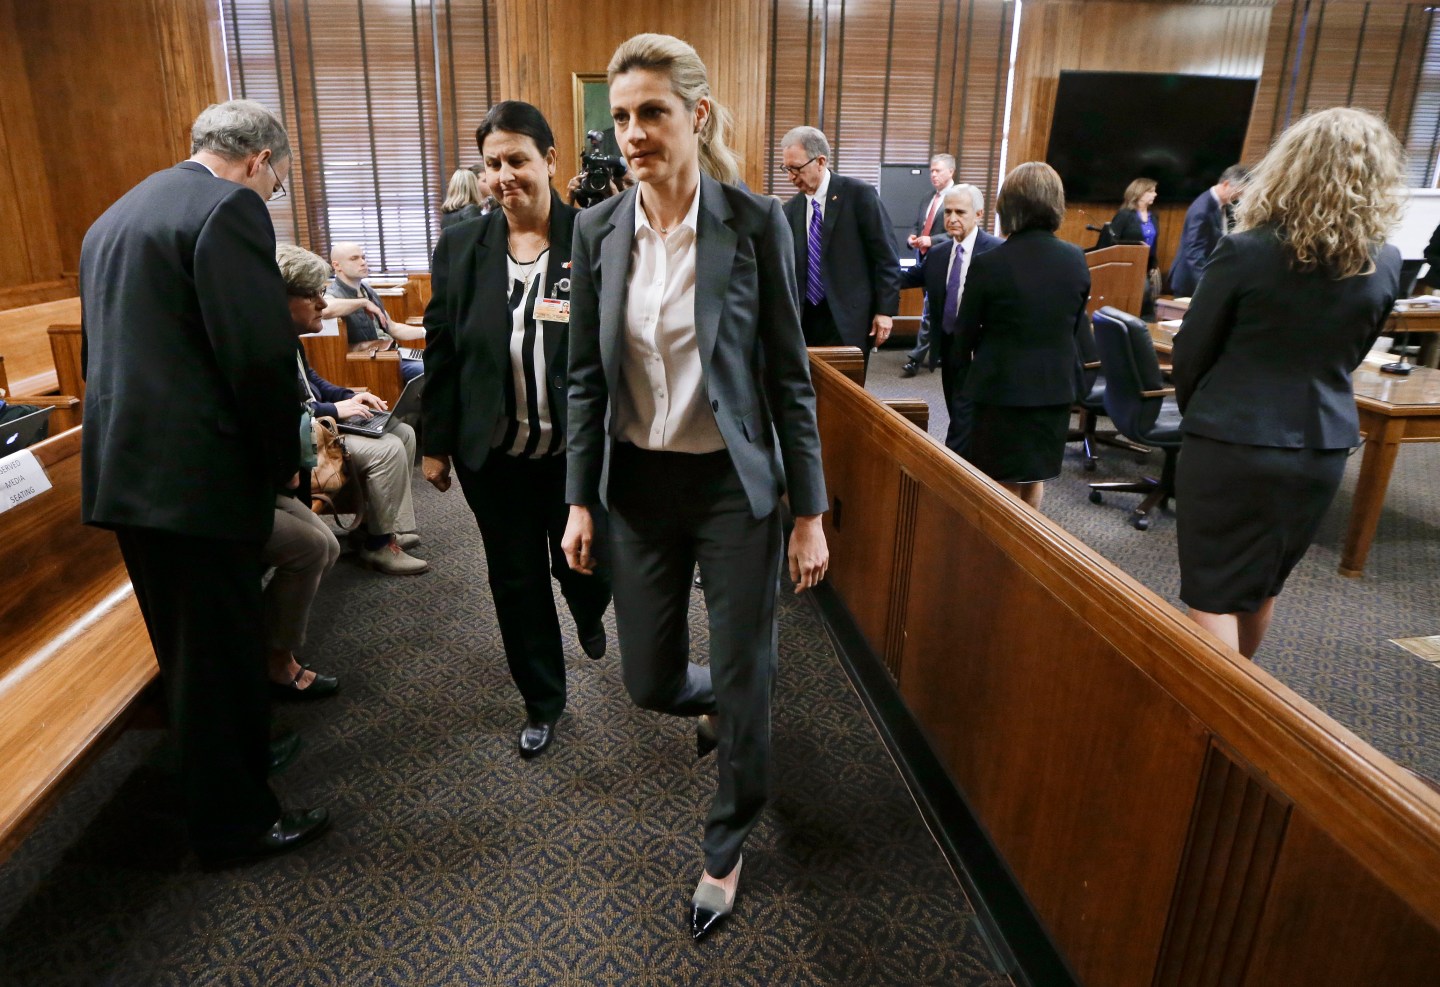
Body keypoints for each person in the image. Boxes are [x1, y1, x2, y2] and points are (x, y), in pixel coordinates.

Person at [561, 33, 829, 941]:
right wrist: (579, 498)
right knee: (648, 679)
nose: (633, 132)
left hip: (731, 487)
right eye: (621, 116)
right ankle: (724, 700)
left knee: (749, 670)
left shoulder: (753, 223)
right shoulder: (597, 230)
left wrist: (810, 512)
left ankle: (726, 844)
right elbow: (585, 380)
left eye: (652, 112)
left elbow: (789, 377)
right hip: (637, 487)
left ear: (696, 115)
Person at [79, 98, 329, 866]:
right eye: (276, 184)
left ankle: (237, 764)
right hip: (197, 479)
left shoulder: (115, 216)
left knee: (191, 651)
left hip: (128, 472)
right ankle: (235, 824)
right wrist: (282, 460)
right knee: (218, 654)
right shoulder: (228, 209)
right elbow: (256, 356)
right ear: (260, 160)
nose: (271, 196)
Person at [1172, 107, 1403, 659]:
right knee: (1260, 586)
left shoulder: (1246, 249)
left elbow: (1192, 350)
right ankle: (1239, 695)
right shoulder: (1387, 261)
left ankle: (1222, 706)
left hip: (1231, 439)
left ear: (1291, 166)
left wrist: (1204, 413)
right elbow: (1351, 357)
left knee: (1211, 593)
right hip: (1322, 447)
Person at [421, 100, 612, 759]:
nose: (504, 176)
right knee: (516, 579)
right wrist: (435, 443)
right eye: (492, 163)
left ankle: (589, 608)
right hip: (495, 458)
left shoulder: (593, 237)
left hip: (572, 457)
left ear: (550, 160)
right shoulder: (461, 246)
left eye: (518, 160)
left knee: (584, 564)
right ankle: (543, 700)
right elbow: (442, 348)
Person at [285, 248, 429, 577]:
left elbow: (313, 382)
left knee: (403, 431)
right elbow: (292, 408)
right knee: (387, 449)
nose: (322, 305)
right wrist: (335, 408)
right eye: (312, 296)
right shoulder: (267, 343)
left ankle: (385, 529)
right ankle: (379, 545)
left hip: (321, 419)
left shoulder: (291, 338)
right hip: (310, 432)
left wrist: (350, 396)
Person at [955, 162, 1090, 509]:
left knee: (1002, 485)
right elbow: (1074, 328)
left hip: (1001, 393)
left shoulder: (989, 263)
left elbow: (963, 337)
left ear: (1007, 206)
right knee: (1034, 477)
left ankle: (1002, 547)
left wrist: (963, 394)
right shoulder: (1076, 259)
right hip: (1054, 391)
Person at [897, 184, 1002, 457]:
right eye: (948, 212)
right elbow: (907, 278)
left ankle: (952, 465)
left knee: (967, 420)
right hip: (948, 348)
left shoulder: (997, 252)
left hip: (981, 352)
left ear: (978, 214)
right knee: (957, 412)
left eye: (960, 212)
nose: (952, 218)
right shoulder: (939, 253)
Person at [780, 126, 901, 361]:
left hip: (848, 318)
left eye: (796, 168)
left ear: (820, 161)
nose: (790, 177)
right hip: (805, 320)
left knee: (846, 383)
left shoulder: (859, 195)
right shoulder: (791, 209)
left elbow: (886, 257)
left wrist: (885, 311)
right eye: (786, 168)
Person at [326, 241, 426, 382]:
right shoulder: (333, 293)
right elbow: (324, 309)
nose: (363, 262)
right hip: (371, 362)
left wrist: (426, 331)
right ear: (337, 266)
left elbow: (393, 328)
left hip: (391, 352)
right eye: (354, 259)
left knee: (444, 359)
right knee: (433, 368)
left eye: (363, 257)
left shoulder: (367, 290)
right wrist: (363, 302)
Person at [902, 153, 957, 377]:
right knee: (936, 309)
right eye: (931, 171)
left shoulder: (958, 197)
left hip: (945, 261)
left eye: (938, 170)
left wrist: (932, 241)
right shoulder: (928, 197)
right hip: (923, 260)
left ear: (951, 172)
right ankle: (940, 352)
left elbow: (958, 232)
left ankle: (915, 358)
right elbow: (919, 224)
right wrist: (913, 237)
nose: (933, 174)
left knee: (930, 309)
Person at [1168, 164, 1248, 297]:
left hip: (1210, 274)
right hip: (1191, 281)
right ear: (1226, 184)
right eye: (1239, 192)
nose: (1239, 197)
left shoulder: (1225, 206)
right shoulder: (1202, 209)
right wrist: (1207, 285)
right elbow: (1194, 252)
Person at [1108, 178, 1161, 319]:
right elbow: (1112, 241)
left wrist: (1153, 265)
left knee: (1147, 300)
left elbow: (1154, 243)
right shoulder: (1124, 215)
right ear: (1139, 193)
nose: (1155, 194)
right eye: (1151, 191)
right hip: (1127, 267)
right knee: (1141, 299)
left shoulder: (1153, 217)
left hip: (1146, 267)